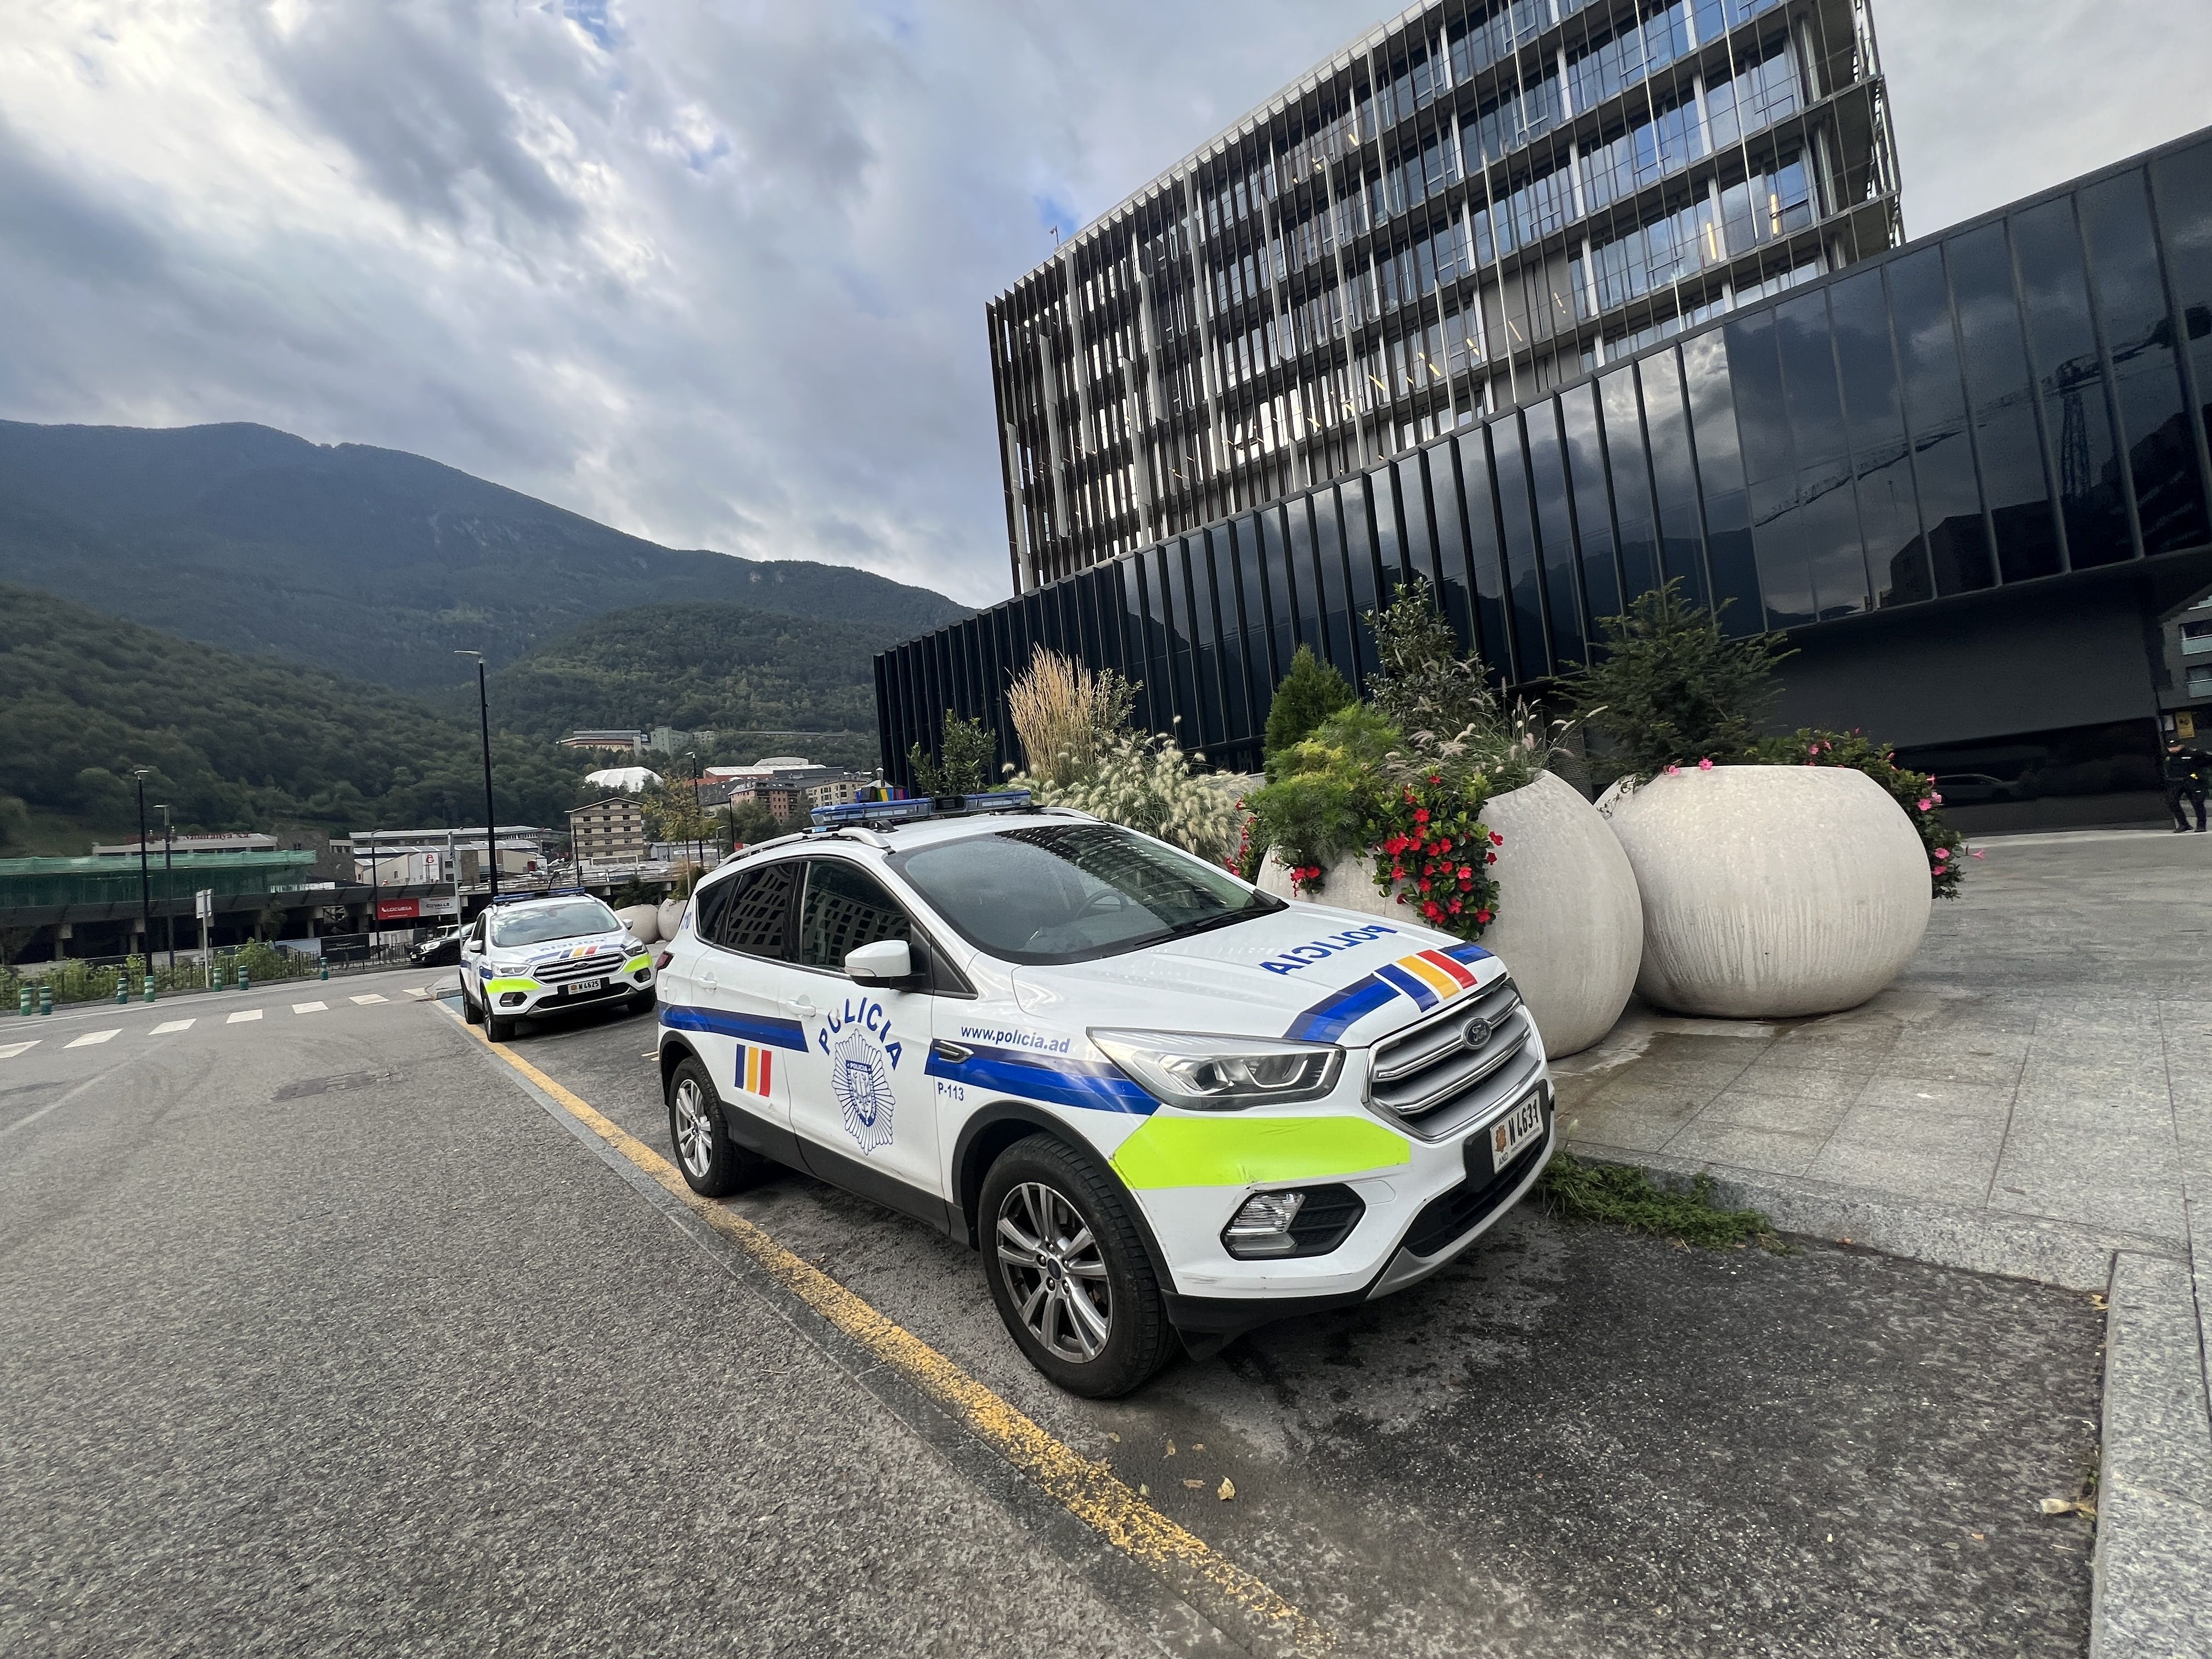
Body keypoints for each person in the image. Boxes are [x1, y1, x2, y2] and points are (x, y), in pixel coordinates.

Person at [2163, 737, 2211, 832]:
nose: (2173, 749)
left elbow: (2207, 761)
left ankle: (2201, 825)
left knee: (2197, 803)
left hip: (2191, 780)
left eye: (2176, 747)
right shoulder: (2166, 755)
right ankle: (2183, 824)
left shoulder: (2193, 753)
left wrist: (2199, 775)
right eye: (2171, 748)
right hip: (2175, 782)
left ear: (2181, 745)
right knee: (2172, 802)